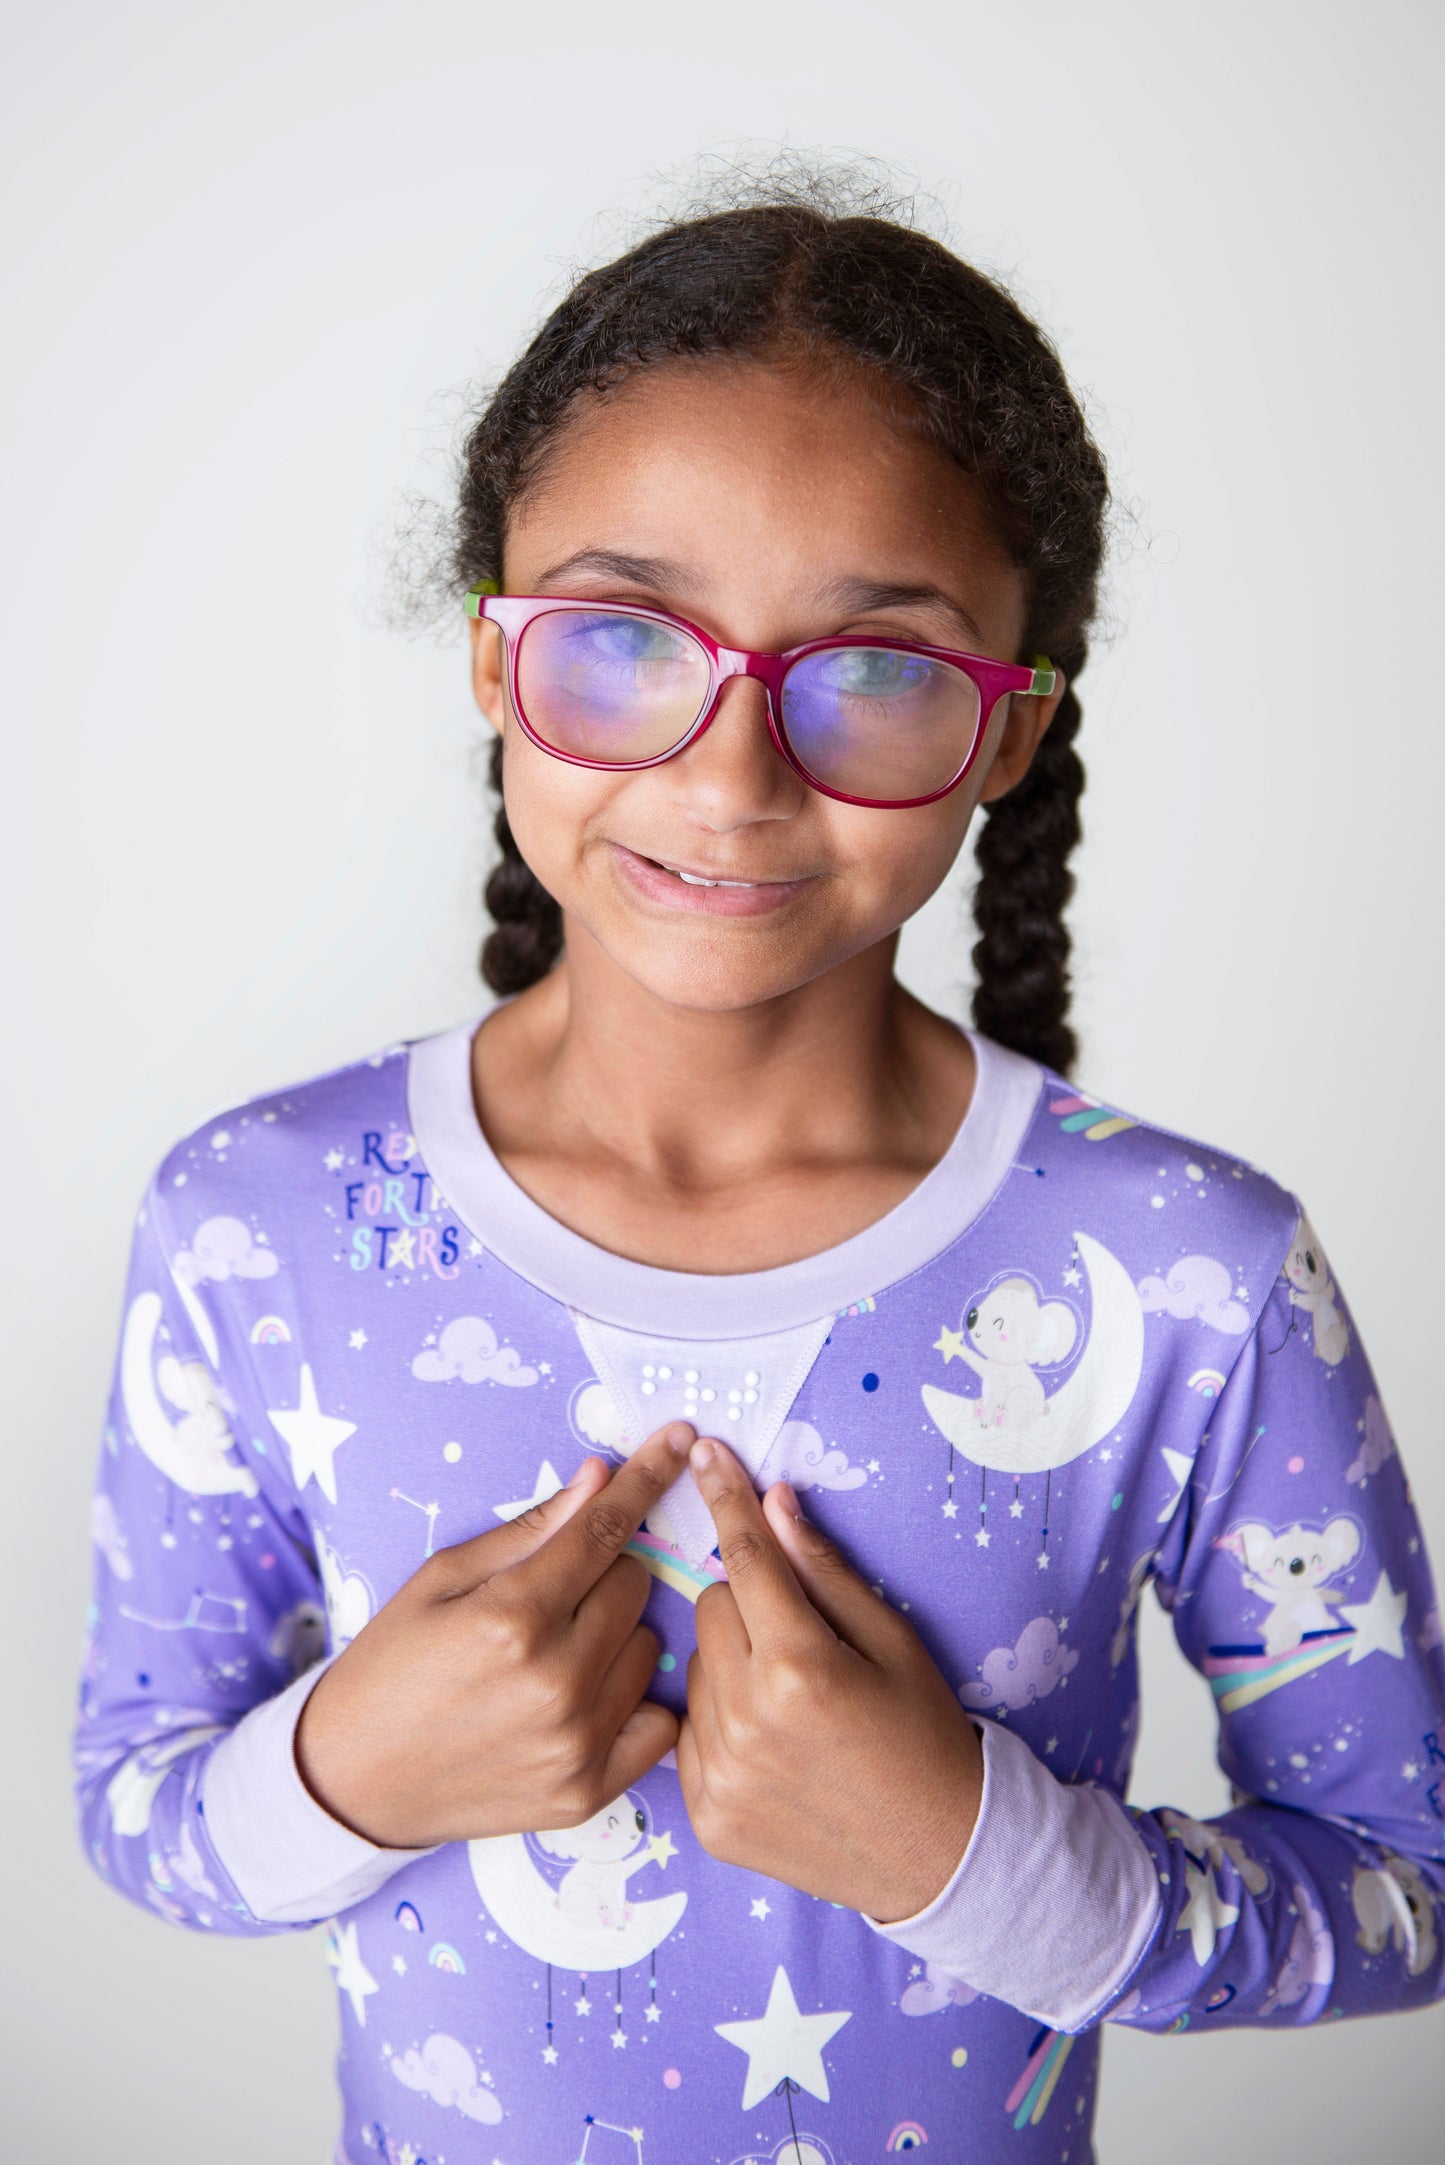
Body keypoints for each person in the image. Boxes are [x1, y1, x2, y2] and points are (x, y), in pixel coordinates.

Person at [73, 173, 1445, 2165]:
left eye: (874, 673)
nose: (728, 778)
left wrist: (986, 1858)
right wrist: (344, 1772)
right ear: (490, 661)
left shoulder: (1187, 1276)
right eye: (623, 642)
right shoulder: (255, 1223)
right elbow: (139, 1807)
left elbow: (1409, 1871)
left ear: (1008, 731)